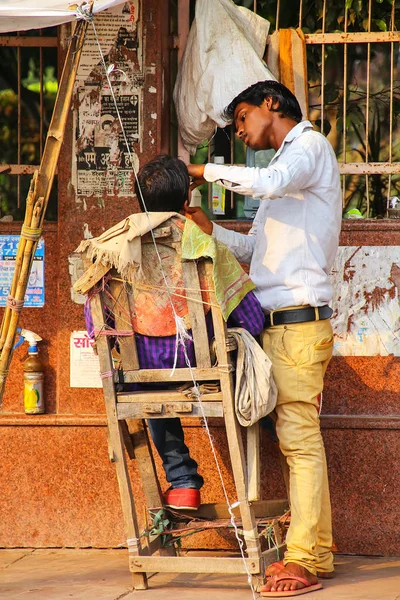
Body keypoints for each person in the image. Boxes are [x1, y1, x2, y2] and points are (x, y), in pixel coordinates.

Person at [186, 81, 342, 597]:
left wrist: (204, 171)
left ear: (271, 105)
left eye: (243, 117)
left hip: (299, 325)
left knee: (300, 443)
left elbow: (270, 182)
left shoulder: (307, 149)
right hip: (279, 327)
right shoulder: (285, 173)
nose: (240, 130)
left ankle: (304, 561)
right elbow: (254, 249)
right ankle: (315, 553)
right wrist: (208, 229)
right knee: (298, 444)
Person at [84, 154, 266, 511]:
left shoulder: (111, 249)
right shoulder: (206, 246)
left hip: (140, 373)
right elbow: (252, 318)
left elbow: (95, 327)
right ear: (186, 202)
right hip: (207, 371)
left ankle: (181, 480)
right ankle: (250, 490)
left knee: (150, 385)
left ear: (138, 200)